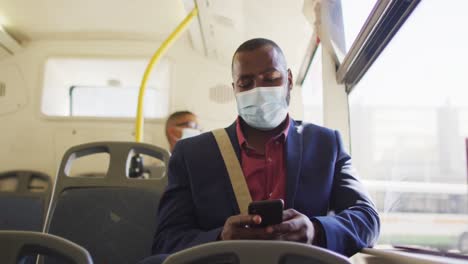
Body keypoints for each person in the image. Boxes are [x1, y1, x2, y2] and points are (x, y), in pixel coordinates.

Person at [141, 38, 380, 263]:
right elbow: (166, 240)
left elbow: (367, 218)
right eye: (246, 83)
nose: (259, 90)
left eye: (270, 78)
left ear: (288, 80)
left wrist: (316, 230)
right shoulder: (192, 153)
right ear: (235, 89)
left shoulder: (326, 144)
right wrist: (219, 239)